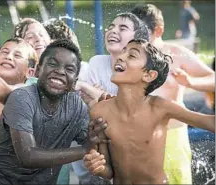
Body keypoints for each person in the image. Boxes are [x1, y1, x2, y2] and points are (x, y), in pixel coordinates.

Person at [83, 39, 215, 185]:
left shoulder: (160, 108)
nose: (120, 56)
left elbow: (209, 122)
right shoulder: (99, 111)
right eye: (123, 51)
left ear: (148, 75)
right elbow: (108, 172)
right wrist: (97, 165)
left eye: (132, 55)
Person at [0, 39, 105, 185]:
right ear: (37, 70)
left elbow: (95, 143)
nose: (60, 71)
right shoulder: (21, 98)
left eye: (69, 69)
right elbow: (27, 156)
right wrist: (84, 150)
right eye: (53, 64)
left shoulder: (76, 107)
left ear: (75, 81)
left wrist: (95, 149)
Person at [130, 4, 215, 184]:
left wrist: (192, 82)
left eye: (142, 35)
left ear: (158, 31)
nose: (137, 40)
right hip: (138, 136)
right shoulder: (131, 57)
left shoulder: (176, 55)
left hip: (173, 135)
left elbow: (213, 78)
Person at [86, 12, 149, 96]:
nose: (113, 31)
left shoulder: (141, 70)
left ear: (137, 39)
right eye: (110, 27)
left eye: (122, 28)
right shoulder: (97, 62)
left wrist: (97, 93)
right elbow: (89, 99)